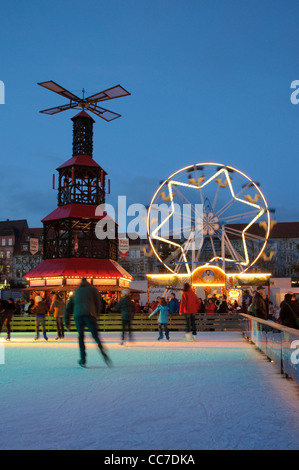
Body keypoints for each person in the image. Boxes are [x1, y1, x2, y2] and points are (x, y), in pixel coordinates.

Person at [64, 278, 111, 368]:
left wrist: (67, 322)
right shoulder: (93, 290)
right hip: (90, 315)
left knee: (81, 337)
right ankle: (102, 351)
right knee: (95, 335)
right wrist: (96, 314)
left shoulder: (76, 292)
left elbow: (68, 308)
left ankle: (83, 359)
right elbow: (98, 303)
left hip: (78, 316)